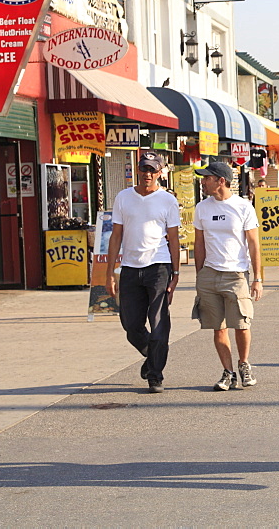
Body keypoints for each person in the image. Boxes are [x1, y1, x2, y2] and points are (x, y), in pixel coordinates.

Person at [105, 150, 181, 393]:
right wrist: (109, 272)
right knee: (130, 324)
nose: (147, 174)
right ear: (138, 170)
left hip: (158, 267)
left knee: (158, 322)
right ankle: (151, 355)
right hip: (129, 267)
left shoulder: (167, 200)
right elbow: (116, 235)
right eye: (144, 169)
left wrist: (176, 273)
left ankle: (155, 375)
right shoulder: (123, 197)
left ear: (160, 173)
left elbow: (174, 238)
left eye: (152, 170)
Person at [193, 162, 264, 391]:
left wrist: (257, 278)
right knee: (218, 326)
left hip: (236, 274)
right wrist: (200, 274)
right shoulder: (202, 208)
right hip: (210, 274)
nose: (203, 182)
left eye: (207, 178)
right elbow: (199, 243)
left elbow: (253, 244)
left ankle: (244, 364)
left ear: (220, 181)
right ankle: (228, 372)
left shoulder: (243, 207)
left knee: (242, 324)